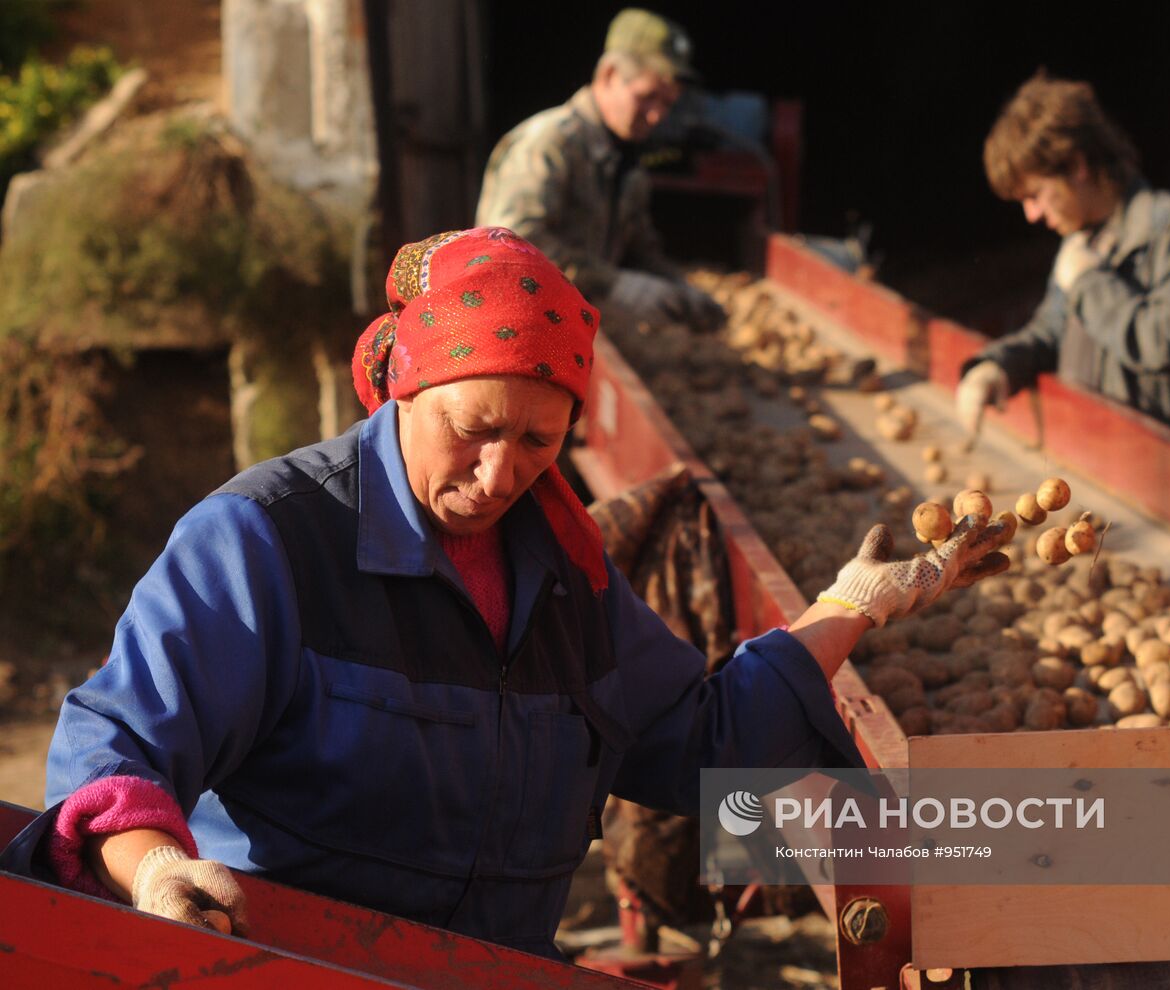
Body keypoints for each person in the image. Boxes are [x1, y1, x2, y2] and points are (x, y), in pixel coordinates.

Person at [1, 227, 1009, 959]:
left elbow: (703, 747)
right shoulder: (269, 539)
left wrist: (855, 605)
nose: (498, 473)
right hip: (296, 970)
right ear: (406, 386)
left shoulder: (565, 576)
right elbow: (117, 742)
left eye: (537, 441)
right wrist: (153, 870)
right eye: (473, 427)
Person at [956, 72, 1170, 460]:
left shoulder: (1168, 224)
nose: (1031, 214)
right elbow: (1048, 333)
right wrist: (996, 366)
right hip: (1105, 471)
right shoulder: (1079, 243)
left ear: (1076, 166)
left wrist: (1091, 282)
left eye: (1036, 195)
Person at [475, 8, 725, 331]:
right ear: (608, 75)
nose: (656, 116)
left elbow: (639, 249)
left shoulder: (627, 166)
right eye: (647, 97)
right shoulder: (549, 144)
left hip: (572, 327)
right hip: (519, 330)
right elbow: (509, 247)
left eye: (667, 103)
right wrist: (613, 284)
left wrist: (679, 287)